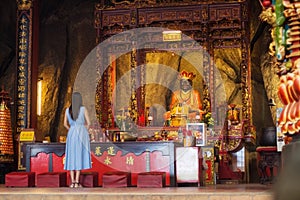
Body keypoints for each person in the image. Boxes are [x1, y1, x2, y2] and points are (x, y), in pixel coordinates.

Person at [64, 92, 91, 188]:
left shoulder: (68, 110)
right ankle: (77, 182)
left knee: (71, 156)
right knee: (79, 155)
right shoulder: (83, 109)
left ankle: (72, 182)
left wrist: (71, 129)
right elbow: (88, 123)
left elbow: (65, 124)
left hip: (71, 134)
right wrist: (84, 130)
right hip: (81, 134)